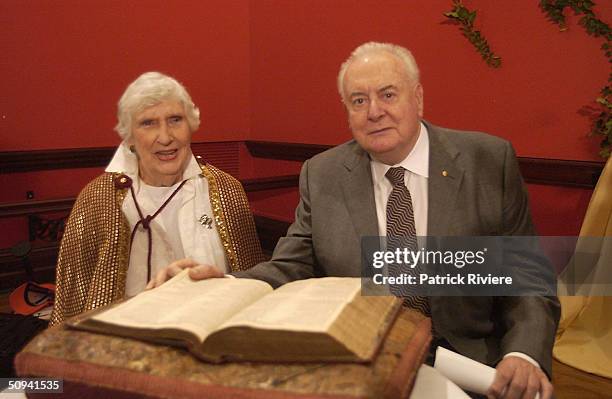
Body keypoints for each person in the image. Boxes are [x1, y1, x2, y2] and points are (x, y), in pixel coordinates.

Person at [159, 43, 560, 399]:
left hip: (471, 361)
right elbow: (291, 266)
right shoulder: (323, 174)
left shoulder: (487, 161)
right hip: (360, 360)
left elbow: (526, 277)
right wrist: (223, 284)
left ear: (417, 97)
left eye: (388, 94)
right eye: (358, 100)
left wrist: (524, 352)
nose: (375, 112)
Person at [49, 72, 264, 326]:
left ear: (191, 124)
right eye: (148, 123)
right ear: (129, 136)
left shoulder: (226, 190)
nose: (165, 137)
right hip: (124, 343)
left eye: (175, 120)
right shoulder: (98, 198)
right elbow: (72, 303)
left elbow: (251, 289)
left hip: (212, 335)